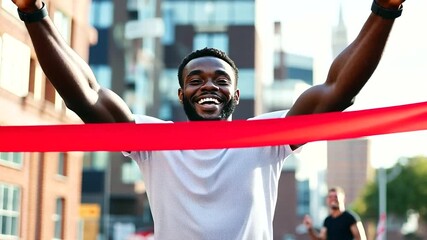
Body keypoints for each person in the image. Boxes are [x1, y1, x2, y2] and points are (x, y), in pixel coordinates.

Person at [12, 0, 406, 239]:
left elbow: (337, 91)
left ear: (235, 94)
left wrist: (385, 9)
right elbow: (87, 95)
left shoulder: (267, 137)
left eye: (220, 80)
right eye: (195, 80)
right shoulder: (153, 141)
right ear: (181, 93)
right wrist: (34, 14)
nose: (208, 87)